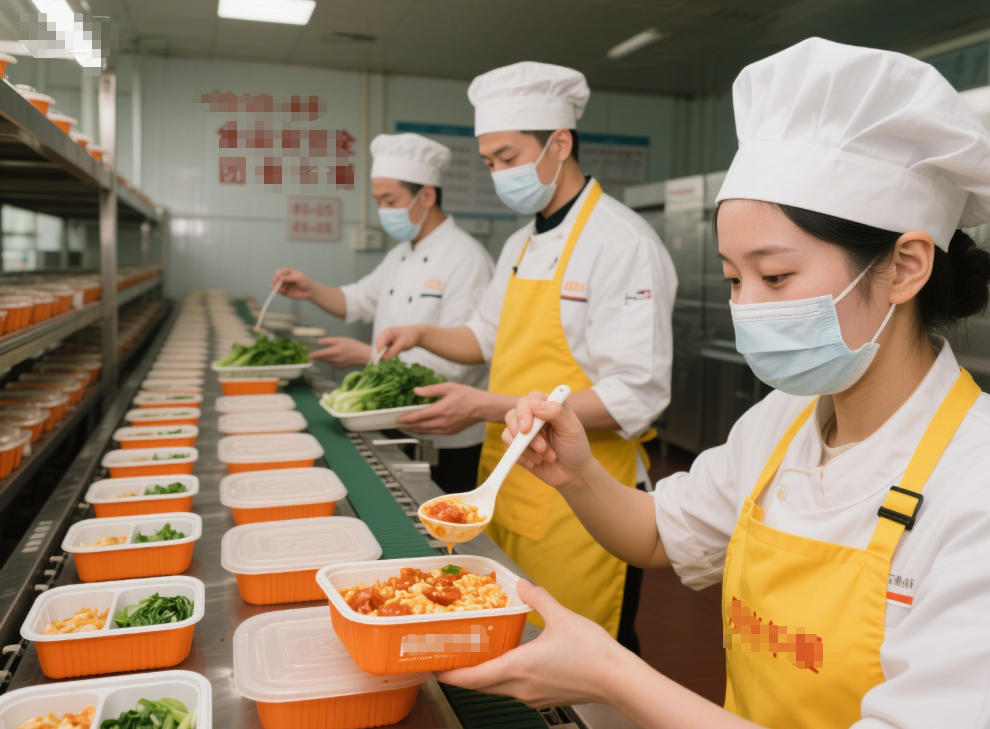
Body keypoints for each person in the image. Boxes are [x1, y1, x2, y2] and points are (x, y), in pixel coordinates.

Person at [435, 38, 990, 729]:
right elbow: (660, 536)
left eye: (776, 276)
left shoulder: (974, 485)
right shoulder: (783, 420)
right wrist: (575, 471)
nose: (746, 307)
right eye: (733, 279)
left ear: (906, 267)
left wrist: (612, 673)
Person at [376, 61, 677, 651]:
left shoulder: (623, 242)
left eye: (509, 158)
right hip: (510, 481)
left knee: (582, 655)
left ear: (559, 144)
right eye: (489, 163)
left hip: (591, 495)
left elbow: (636, 394)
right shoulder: (519, 243)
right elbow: (485, 338)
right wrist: (420, 333)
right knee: (513, 634)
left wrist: (488, 405)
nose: (498, 175)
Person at [273, 133, 493, 492]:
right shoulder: (401, 254)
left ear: (427, 195)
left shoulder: (467, 259)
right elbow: (358, 300)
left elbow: (461, 364)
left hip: (446, 437)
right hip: (394, 416)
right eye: (378, 201)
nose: (384, 211)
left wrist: (367, 356)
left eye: (391, 200)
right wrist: (310, 289)